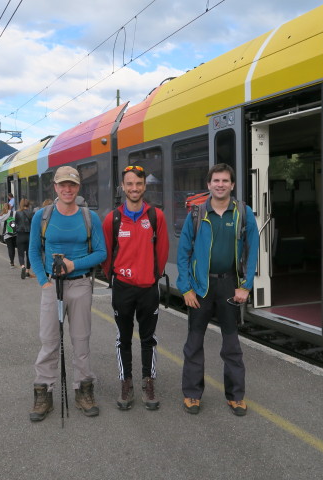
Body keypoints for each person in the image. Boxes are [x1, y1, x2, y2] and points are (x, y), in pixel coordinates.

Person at [177, 163, 259, 416]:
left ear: (232, 185)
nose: (220, 184)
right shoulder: (196, 214)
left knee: (231, 344)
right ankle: (192, 394)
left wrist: (245, 286)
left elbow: (253, 249)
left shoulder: (243, 213)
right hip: (201, 287)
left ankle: (235, 396)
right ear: (209, 184)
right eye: (216, 180)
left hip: (229, 285)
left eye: (225, 181)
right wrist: (186, 288)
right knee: (194, 342)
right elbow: (183, 253)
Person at [28, 165, 106, 422]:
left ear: (78, 187)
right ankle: (44, 393)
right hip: (53, 287)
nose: (67, 189)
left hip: (80, 285)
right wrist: (43, 282)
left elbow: (100, 252)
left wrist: (75, 265)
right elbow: (33, 252)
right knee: (49, 341)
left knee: (81, 341)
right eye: (63, 185)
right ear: (55, 187)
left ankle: (84, 389)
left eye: (72, 184)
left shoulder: (89, 217)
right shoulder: (42, 216)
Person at [101, 165, 169, 410]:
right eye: (129, 184)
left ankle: (148, 382)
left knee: (148, 338)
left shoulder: (155, 216)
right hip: (123, 289)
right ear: (123, 187)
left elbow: (162, 252)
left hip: (148, 288)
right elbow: (106, 254)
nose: (134, 188)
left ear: (144, 186)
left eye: (138, 184)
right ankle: (126, 382)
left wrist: (152, 276)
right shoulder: (113, 218)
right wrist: (116, 276)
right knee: (124, 338)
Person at [15, 198, 33, 279]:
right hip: (29, 235)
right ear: (28, 204)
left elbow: (15, 223)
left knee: (21, 253)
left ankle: (22, 267)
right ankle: (27, 271)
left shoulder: (18, 213)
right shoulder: (32, 213)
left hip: (20, 235)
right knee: (29, 254)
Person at [0, 203, 17, 268]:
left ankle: (12, 263)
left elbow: (1, 226)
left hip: (7, 234)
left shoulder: (1, 216)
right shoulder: (14, 213)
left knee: (10, 248)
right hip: (15, 233)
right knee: (15, 248)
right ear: (10, 207)